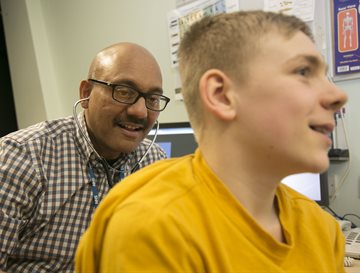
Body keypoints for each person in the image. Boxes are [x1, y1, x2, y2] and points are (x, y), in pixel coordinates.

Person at [75, 11, 348, 272]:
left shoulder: (323, 230)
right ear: (221, 95)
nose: (337, 96)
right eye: (303, 72)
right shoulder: (152, 226)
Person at [0, 42, 170, 272]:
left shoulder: (154, 163)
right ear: (86, 93)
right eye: (123, 92)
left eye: (152, 99)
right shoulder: (21, 158)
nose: (140, 112)